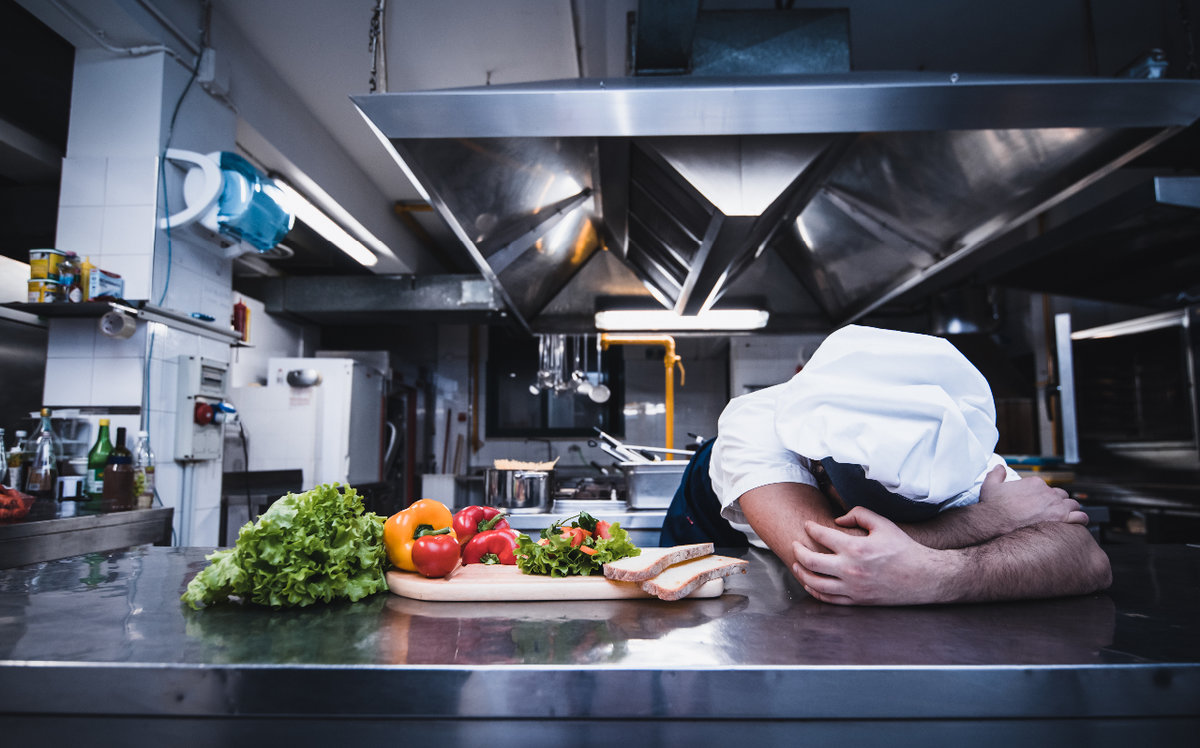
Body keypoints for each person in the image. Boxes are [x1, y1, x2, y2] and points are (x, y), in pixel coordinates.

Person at [661, 325, 1111, 606]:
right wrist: (992, 519)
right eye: (870, 512)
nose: (885, 526)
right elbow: (829, 559)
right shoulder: (759, 422)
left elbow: (1088, 560)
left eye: (909, 511)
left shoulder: (952, 440)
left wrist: (939, 578)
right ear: (817, 462)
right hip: (710, 562)